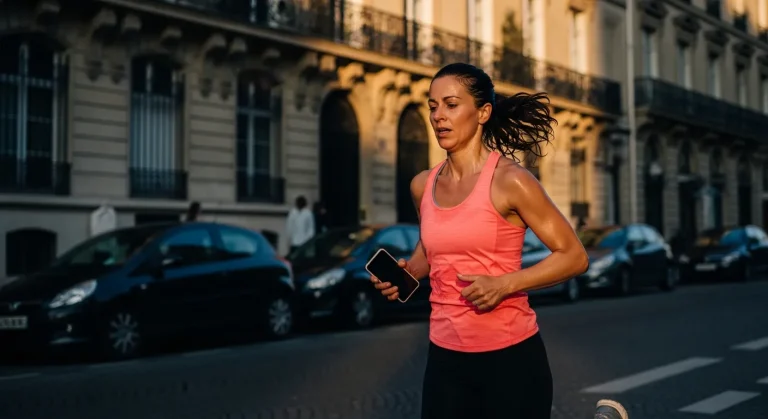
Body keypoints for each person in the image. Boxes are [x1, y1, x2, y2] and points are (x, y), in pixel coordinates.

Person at [370, 62, 589, 419]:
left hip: (510, 361)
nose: (438, 116)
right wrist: (407, 272)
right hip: (444, 361)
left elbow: (574, 256)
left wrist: (505, 284)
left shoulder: (511, 181)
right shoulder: (422, 185)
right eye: (432, 106)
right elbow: (431, 251)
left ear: (483, 112)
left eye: (451, 105)